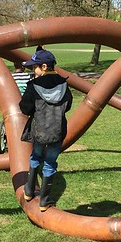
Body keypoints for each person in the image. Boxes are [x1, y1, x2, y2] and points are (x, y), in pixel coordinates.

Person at [19, 47, 73, 211]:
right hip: (57, 130)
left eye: (34, 67)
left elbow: (25, 108)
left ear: (44, 67)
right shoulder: (63, 84)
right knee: (50, 162)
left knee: (36, 156)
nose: (32, 70)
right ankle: (44, 200)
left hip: (39, 130)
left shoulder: (33, 85)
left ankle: (29, 191)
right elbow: (68, 105)